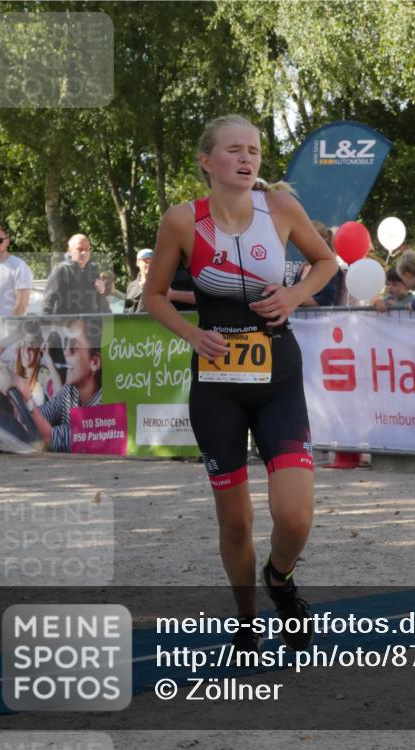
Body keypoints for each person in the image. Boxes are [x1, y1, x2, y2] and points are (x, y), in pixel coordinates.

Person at [143, 114, 337, 658]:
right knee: (235, 522)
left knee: (295, 516)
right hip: (217, 385)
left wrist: (295, 295)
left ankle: (281, 578)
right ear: (208, 162)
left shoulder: (278, 208)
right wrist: (192, 335)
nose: (247, 158)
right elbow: (154, 296)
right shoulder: (182, 221)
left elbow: (326, 260)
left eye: (253, 149)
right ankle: (248, 620)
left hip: (278, 378)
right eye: (234, 150)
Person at [9, 318, 103, 453]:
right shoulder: (69, 391)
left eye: (74, 347)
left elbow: (53, 437)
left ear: (94, 362)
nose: (65, 352)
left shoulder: (104, 403)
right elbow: (45, 413)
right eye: (65, 345)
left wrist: (22, 392)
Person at [42, 234, 111, 315]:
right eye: (80, 249)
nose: (84, 253)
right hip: (66, 325)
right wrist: (47, 325)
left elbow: (101, 304)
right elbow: (47, 304)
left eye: (87, 249)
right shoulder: (61, 270)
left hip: (90, 325)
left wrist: (102, 292)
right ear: (70, 251)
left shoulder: (93, 271)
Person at [297, 221, 346, 307]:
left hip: (321, 319)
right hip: (298, 319)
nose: (299, 243)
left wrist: (295, 298)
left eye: (304, 240)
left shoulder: (330, 268)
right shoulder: (303, 266)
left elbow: (327, 302)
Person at [124, 248, 154, 314]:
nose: (149, 264)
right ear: (138, 263)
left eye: (151, 261)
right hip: (133, 323)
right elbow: (126, 310)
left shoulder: (162, 284)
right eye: (145, 261)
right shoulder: (131, 286)